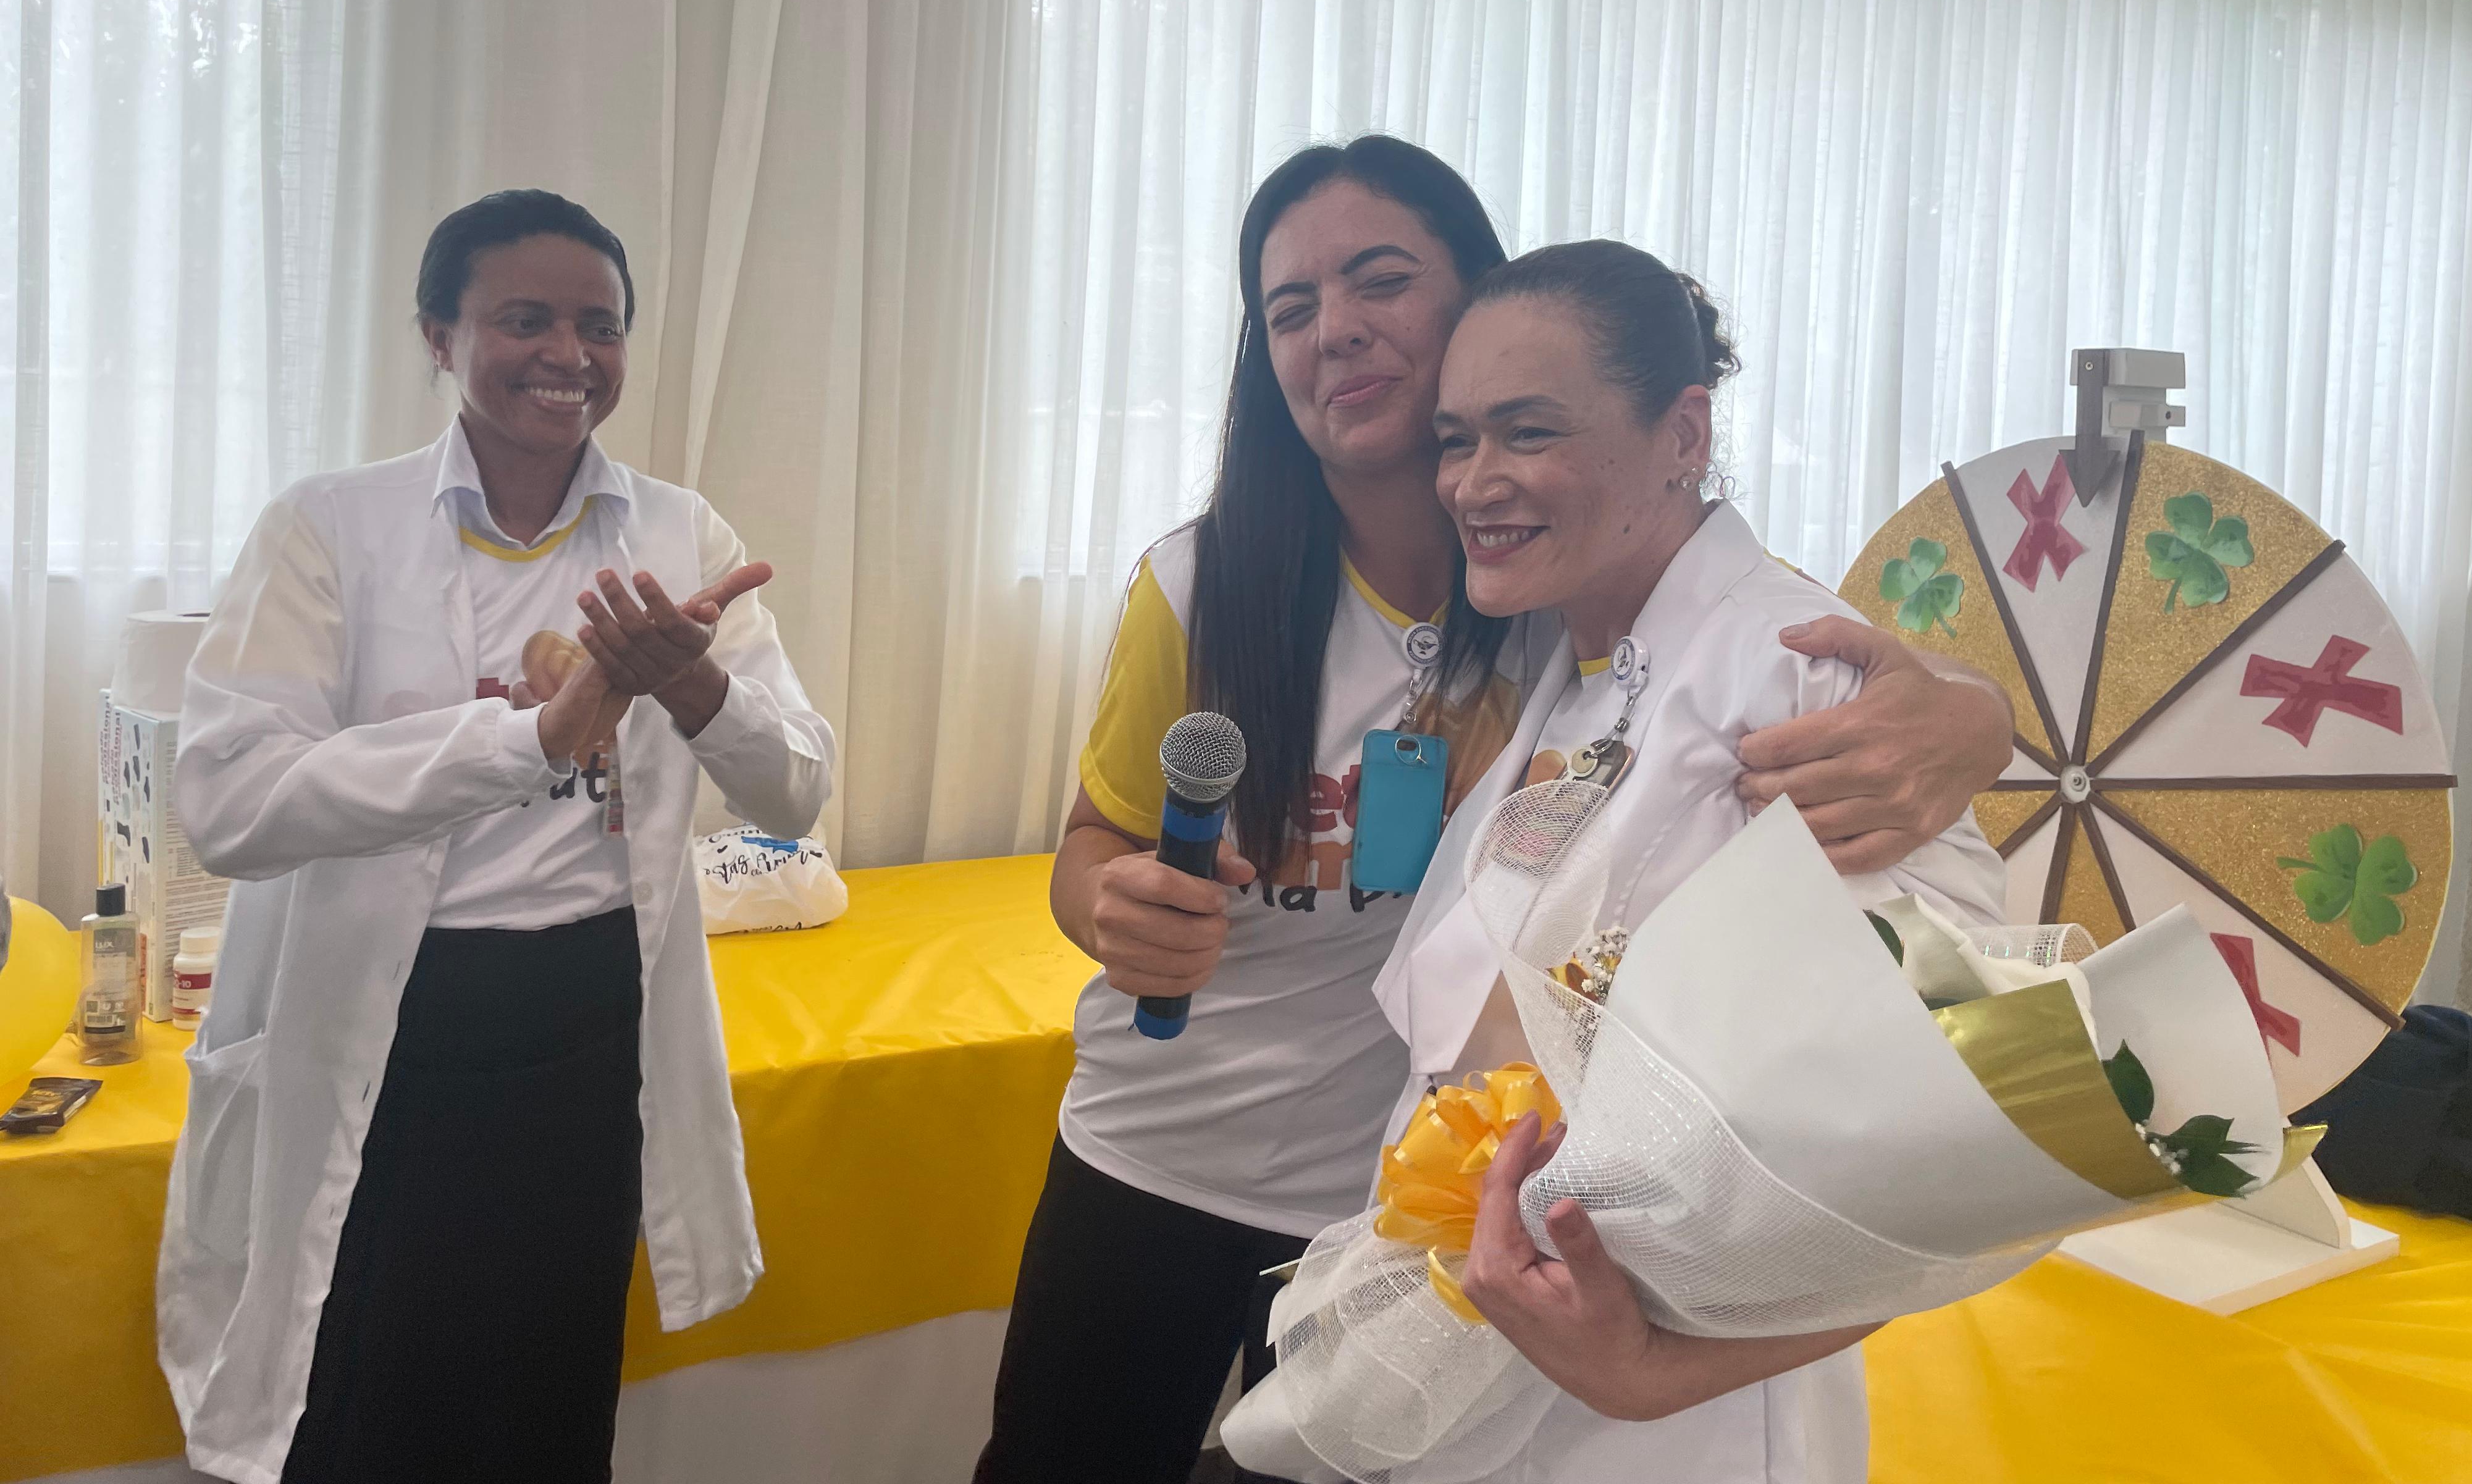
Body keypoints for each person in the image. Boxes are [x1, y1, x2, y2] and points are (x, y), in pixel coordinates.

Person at [977, 142, 2016, 1484]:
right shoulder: (1221, 585)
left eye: (1382, 281)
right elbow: (1093, 844)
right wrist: (1109, 910)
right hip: (1179, 1148)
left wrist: (1975, 719)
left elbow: (1813, 684)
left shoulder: (1561, 599)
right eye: (1290, 309)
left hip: (1423, 1211)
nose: (1336, 329)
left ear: (1472, 303)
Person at [159, 190, 835, 1484]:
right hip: (396, 1033)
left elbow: (796, 793)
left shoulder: (681, 533)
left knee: (547, 1397)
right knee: (366, 1400)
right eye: (525, 320)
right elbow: (234, 803)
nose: (567, 355)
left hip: (588, 1029)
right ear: (438, 334)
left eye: (600, 325)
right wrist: (530, 738)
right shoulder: (328, 527)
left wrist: (694, 687)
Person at [1374, 239, 2006, 1482]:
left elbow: (1969, 1110)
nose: (1475, 481)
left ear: (1683, 434)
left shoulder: (1796, 670)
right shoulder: (1563, 662)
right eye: (1455, 440)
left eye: (1528, 431)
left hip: (1680, 1412)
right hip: (1497, 1350)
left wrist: (1663, 1374)